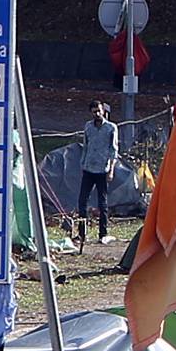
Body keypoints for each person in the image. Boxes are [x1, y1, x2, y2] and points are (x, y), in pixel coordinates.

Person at [75, 100, 120, 247]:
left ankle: (103, 233)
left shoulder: (111, 128)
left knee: (102, 203)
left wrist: (111, 169)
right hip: (89, 168)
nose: (97, 114)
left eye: (99, 111)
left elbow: (114, 150)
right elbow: (86, 145)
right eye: (94, 112)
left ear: (103, 111)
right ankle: (82, 233)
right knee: (82, 201)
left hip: (103, 169)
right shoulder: (88, 126)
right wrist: (83, 163)